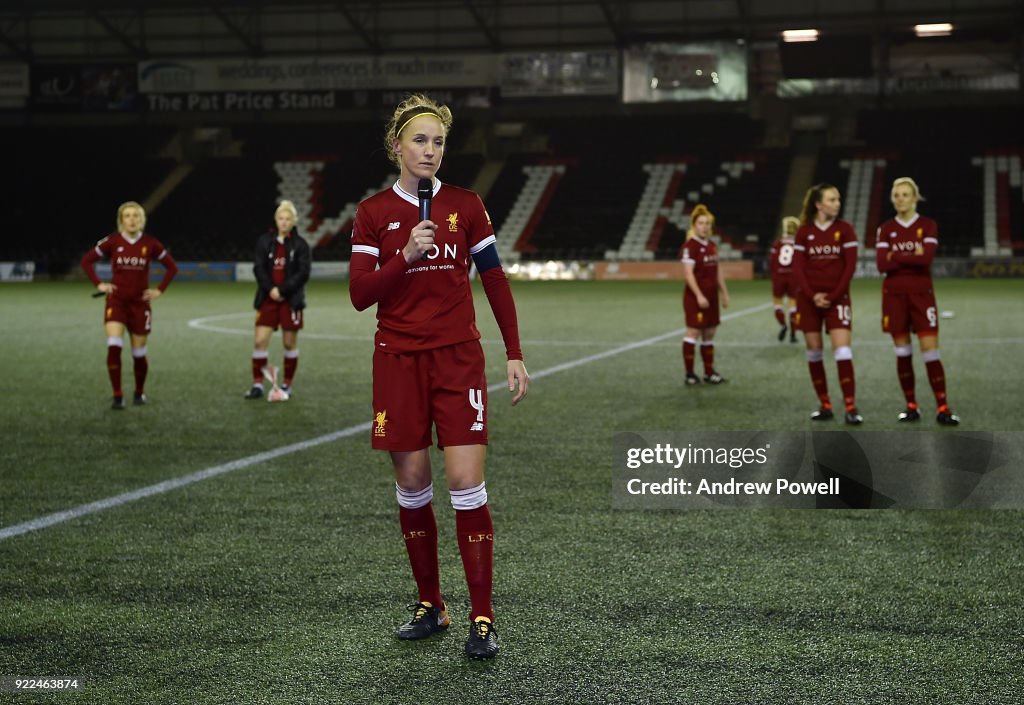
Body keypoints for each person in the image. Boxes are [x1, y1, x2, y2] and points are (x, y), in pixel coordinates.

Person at [348, 94, 529, 660]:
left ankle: (482, 616)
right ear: (397, 146)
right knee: (412, 487)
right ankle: (432, 604)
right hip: (397, 360)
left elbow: (495, 279)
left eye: (439, 142)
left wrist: (514, 353)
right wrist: (403, 253)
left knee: (465, 485)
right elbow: (360, 295)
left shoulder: (466, 204)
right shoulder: (373, 212)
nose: (430, 150)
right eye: (420, 140)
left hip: (457, 359)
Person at [874, 177, 959, 425]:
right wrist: (912, 254)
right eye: (896, 195)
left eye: (905, 194)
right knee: (903, 352)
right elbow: (881, 264)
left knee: (930, 352)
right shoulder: (885, 228)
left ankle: (943, 407)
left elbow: (926, 260)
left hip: (922, 296)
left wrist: (895, 255)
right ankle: (911, 406)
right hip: (894, 296)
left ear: (915, 197)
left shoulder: (928, 225)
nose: (900, 199)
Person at [81, 201, 178, 410]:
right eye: (127, 216)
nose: (131, 219)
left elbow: (172, 267)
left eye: (136, 215)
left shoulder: (151, 243)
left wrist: (159, 289)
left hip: (140, 305)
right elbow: (86, 261)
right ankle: (117, 395)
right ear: (121, 220)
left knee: (138, 353)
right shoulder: (113, 242)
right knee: (114, 345)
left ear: (141, 220)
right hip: (116, 301)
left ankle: (139, 392)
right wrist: (99, 284)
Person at [791, 183, 862, 424]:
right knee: (814, 352)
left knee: (842, 350)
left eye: (838, 199)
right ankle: (825, 404)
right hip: (808, 300)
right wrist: (812, 296)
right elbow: (798, 268)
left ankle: (851, 407)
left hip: (837, 299)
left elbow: (850, 267)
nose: (837, 204)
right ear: (819, 204)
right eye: (832, 199)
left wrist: (831, 296)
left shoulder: (846, 230)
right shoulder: (803, 232)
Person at [244, 200, 312, 400]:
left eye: (288, 218)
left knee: (289, 344)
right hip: (267, 298)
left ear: (293, 221)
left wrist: (282, 290)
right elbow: (259, 268)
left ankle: (286, 384)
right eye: (281, 218)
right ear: (276, 220)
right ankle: (257, 384)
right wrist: (271, 289)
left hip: (291, 301)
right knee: (259, 341)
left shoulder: (301, 245)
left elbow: (303, 273)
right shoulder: (265, 241)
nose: (284, 222)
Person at [680, 204, 730, 385]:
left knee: (709, 333)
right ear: (694, 225)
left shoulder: (712, 246)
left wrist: (724, 293)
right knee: (693, 332)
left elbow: (717, 271)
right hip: (695, 298)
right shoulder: (690, 246)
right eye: (701, 223)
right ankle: (690, 374)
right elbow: (688, 274)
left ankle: (709, 373)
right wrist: (699, 295)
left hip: (711, 298)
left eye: (708, 223)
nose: (704, 226)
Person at [769, 215, 800, 343]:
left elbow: (771, 262)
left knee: (777, 304)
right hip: (793, 277)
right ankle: (793, 334)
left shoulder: (777, 243)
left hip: (779, 276)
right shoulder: (798, 245)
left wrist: (774, 275)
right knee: (793, 306)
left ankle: (783, 324)